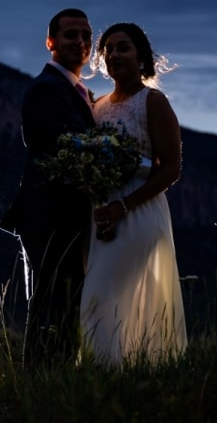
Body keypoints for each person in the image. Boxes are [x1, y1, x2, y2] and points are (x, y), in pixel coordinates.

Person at [80, 22, 187, 364]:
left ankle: (107, 371)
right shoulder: (97, 108)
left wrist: (124, 206)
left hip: (139, 212)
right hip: (102, 214)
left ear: (140, 56)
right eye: (107, 49)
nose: (113, 55)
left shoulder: (152, 102)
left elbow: (171, 168)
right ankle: (118, 373)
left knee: (102, 294)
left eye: (122, 48)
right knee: (105, 299)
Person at [0, 8, 96, 363]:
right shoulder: (46, 89)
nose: (80, 42)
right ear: (51, 42)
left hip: (66, 214)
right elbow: (72, 144)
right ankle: (43, 384)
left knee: (63, 301)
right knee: (54, 302)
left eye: (86, 35)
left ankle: (53, 381)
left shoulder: (76, 90)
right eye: (71, 34)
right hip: (51, 213)